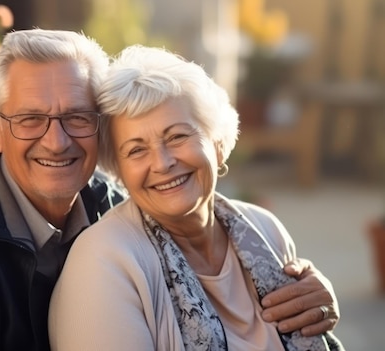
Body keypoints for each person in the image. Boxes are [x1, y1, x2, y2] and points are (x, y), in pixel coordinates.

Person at [0, 29, 339, 351]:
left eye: (76, 117)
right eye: (31, 118)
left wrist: (309, 292)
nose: (57, 140)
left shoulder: (113, 200)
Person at [48, 45, 345, 351]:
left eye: (177, 136)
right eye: (136, 150)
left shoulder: (264, 229)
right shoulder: (104, 260)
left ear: (217, 144)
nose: (162, 163)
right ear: (119, 172)